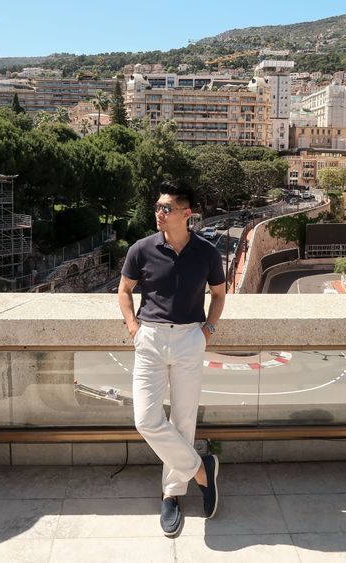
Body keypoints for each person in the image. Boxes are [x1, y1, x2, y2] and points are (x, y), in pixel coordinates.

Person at [118, 179, 226, 537]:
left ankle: (172, 494)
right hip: (149, 338)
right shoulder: (141, 249)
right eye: (158, 207)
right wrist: (133, 326)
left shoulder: (207, 252)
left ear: (186, 214)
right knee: (146, 419)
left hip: (189, 339)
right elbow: (124, 290)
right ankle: (200, 469)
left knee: (183, 422)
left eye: (166, 208)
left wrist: (207, 330)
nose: (159, 213)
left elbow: (219, 295)